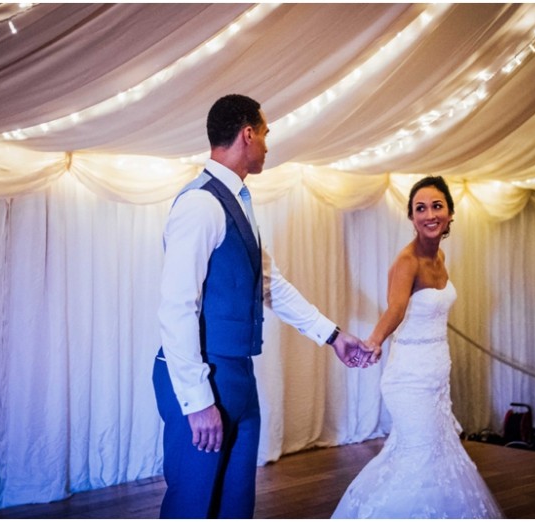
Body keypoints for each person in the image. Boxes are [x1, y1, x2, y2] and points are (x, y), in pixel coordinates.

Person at [153, 94, 375, 519]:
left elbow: (271, 285)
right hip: (202, 377)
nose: (268, 145)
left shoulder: (238, 203)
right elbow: (176, 306)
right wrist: (198, 400)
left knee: (236, 505)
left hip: (238, 374)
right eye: (266, 134)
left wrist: (333, 336)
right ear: (248, 133)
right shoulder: (200, 203)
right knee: (193, 507)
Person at [332, 176, 504, 519]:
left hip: (437, 376)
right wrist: (374, 341)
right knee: (419, 456)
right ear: (411, 217)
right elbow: (396, 308)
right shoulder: (407, 262)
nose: (429, 214)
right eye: (420, 208)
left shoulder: (439, 257)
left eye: (436, 206)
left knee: (436, 455)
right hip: (409, 379)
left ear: (450, 214)